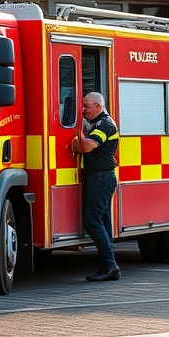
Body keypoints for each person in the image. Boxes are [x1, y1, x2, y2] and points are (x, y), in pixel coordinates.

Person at [70, 91, 121, 282]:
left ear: (98, 107)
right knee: (103, 222)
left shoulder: (104, 124)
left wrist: (77, 142)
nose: (83, 110)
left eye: (86, 106)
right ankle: (109, 265)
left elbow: (87, 146)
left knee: (92, 221)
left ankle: (110, 265)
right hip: (98, 178)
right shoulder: (96, 123)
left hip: (101, 178)